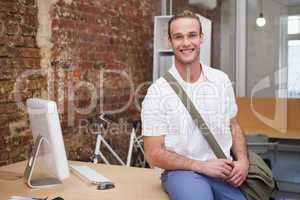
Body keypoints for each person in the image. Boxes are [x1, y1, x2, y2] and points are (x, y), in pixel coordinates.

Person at [141, 10, 249, 200]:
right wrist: (201, 166)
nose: (186, 43)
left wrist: (243, 161)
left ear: (201, 38)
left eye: (192, 35)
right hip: (181, 172)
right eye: (178, 37)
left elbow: (233, 125)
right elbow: (153, 153)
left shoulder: (221, 80)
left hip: (223, 170)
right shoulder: (157, 92)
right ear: (169, 41)